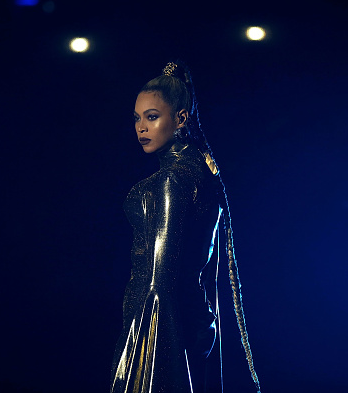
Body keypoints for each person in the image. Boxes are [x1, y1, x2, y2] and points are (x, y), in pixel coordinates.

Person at [110, 61, 261, 393]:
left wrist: (145, 357)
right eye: (137, 118)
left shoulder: (174, 179)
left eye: (152, 117)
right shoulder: (199, 171)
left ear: (180, 118)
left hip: (160, 327)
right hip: (182, 319)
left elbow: (159, 281)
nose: (141, 127)